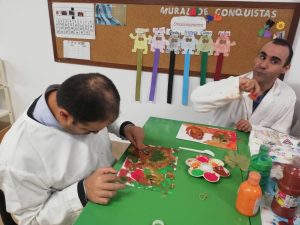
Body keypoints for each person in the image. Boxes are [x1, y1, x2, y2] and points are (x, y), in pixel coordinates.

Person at [0, 73, 145, 225]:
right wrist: (83, 191)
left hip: (110, 188)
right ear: (64, 116)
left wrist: (125, 127)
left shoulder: (70, 97)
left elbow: (103, 114)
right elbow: (32, 221)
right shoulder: (16, 158)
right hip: (76, 213)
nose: (97, 133)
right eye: (89, 130)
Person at [190, 38, 296, 134]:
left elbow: (281, 134)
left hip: (256, 150)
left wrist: (253, 128)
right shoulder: (235, 82)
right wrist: (236, 85)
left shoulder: (288, 95)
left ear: (285, 68)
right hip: (218, 141)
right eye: (262, 57)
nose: (263, 65)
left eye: (274, 61)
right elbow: (196, 101)